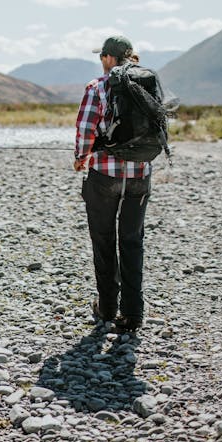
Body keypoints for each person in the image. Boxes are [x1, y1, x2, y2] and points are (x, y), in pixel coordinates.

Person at [74, 35, 154, 333]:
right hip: (140, 176)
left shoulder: (98, 87)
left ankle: (107, 308)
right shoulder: (147, 84)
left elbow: (85, 129)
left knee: (104, 240)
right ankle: (133, 314)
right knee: (132, 241)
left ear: (108, 58)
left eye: (102, 57)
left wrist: (81, 158)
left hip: (104, 177)